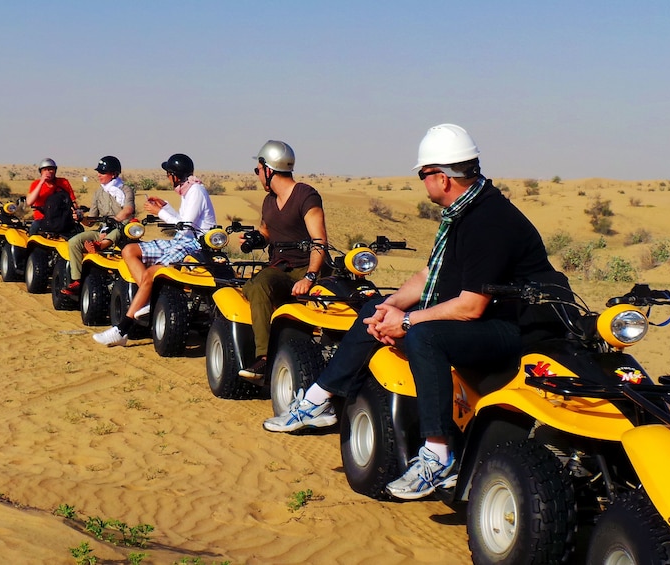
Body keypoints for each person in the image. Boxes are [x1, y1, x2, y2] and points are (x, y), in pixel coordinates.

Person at [263, 124, 564, 501]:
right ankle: (317, 400)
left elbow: (472, 307)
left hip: (516, 329)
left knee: (425, 335)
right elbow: (429, 276)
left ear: (442, 177)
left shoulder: (489, 221)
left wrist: (407, 322)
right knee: (375, 306)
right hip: (487, 315)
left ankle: (438, 456)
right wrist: (392, 307)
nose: (422, 183)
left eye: (423, 174)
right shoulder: (464, 211)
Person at [93, 153, 216, 347]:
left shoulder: (196, 191)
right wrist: (165, 207)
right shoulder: (188, 190)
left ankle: (122, 329)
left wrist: (160, 213)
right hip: (180, 240)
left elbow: (185, 227)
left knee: (151, 274)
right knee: (129, 251)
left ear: (175, 175)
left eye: (168, 174)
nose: (167, 178)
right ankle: (147, 298)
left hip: (193, 245)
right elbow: (183, 221)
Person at [237, 140, 328, 378]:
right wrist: (255, 239)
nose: (257, 176)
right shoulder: (269, 201)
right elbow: (267, 231)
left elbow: (319, 241)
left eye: (258, 170)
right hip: (280, 268)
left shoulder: (305, 195)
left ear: (268, 169)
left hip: (306, 267)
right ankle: (264, 357)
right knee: (256, 286)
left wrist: (310, 276)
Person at [61, 156, 136, 296]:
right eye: (99, 172)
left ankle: (98, 246)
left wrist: (114, 221)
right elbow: (92, 220)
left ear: (113, 173)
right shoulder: (98, 193)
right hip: (102, 231)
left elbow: (128, 210)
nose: (99, 175)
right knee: (73, 242)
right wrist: (81, 217)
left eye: (103, 172)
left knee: (117, 231)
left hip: (122, 229)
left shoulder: (126, 190)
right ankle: (77, 280)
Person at [27, 158, 77, 235]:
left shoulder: (63, 182)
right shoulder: (35, 184)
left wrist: (75, 212)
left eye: (50, 169)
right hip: (42, 219)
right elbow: (29, 202)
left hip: (61, 219)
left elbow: (73, 201)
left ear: (55, 171)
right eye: (45, 170)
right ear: (41, 172)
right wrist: (41, 182)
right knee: (33, 230)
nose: (48, 172)